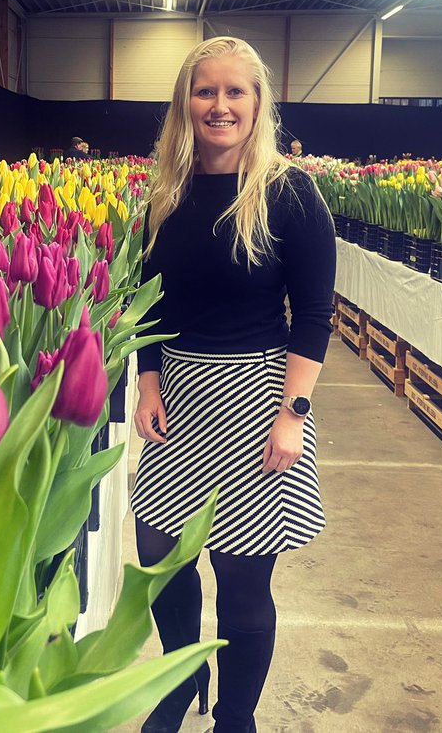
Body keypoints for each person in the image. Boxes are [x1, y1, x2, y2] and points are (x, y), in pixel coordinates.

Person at [131, 36, 336, 732]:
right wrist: (148, 380)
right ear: (185, 103)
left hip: (258, 399)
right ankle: (183, 676)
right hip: (180, 394)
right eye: (205, 90)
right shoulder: (166, 191)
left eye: (234, 92)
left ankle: (235, 716)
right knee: (159, 557)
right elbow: (149, 302)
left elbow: (313, 314)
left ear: (258, 104)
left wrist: (294, 412)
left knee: (242, 577)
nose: (219, 105)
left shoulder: (290, 192)